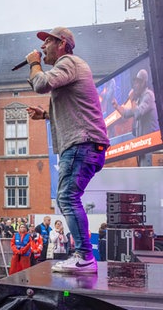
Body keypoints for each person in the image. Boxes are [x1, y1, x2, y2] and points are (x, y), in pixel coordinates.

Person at [26, 26, 109, 274]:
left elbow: (41, 84)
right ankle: (84, 256)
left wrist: (34, 64)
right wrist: (47, 115)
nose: (42, 47)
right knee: (69, 197)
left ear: (62, 44)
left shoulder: (68, 62)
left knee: (67, 198)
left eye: (47, 42)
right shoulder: (72, 67)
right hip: (86, 143)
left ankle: (84, 256)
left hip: (81, 144)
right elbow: (77, 109)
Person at [112, 69, 159, 166]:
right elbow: (127, 113)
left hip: (150, 145)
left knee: (148, 175)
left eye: (137, 82)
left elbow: (137, 114)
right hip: (142, 146)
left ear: (143, 83)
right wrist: (117, 107)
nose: (135, 85)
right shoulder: (140, 98)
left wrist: (132, 99)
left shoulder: (148, 95)